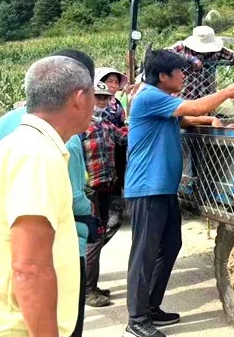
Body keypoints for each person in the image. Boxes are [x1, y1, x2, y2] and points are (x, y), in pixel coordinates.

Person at [124, 49, 234, 337]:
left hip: (162, 188)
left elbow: (183, 119)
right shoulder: (149, 96)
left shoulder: (161, 102)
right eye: (179, 72)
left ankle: (150, 307)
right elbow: (192, 108)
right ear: (163, 76)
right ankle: (136, 321)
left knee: (169, 246)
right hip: (147, 189)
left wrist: (209, 120)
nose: (183, 76)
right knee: (144, 254)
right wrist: (228, 91)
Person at [0, 49, 96, 337]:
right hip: (13, 328)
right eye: (94, 95)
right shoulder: (37, 154)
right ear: (79, 98)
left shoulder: (18, 144)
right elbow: (29, 268)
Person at [81, 81, 129, 307]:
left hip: (105, 188)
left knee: (97, 236)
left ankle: (92, 285)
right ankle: (87, 291)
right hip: (89, 191)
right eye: (97, 97)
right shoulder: (79, 127)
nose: (101, 102)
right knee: (92, 239)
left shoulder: (106, 125)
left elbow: (126, 138)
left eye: (104, 98)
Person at [94, 67, 130, 250]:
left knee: (107, 221)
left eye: (116, 82)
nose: (114, 86)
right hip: (90, 182)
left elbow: (123, 135)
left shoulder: (109, 120)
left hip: (111, 169)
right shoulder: (81, 124)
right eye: (110, 82)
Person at [168, 25, 234, 100]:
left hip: (206, 97)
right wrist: (190, 58)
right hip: (183, 96)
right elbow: (165, 53)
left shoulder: (217, 51)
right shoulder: (183, 48)